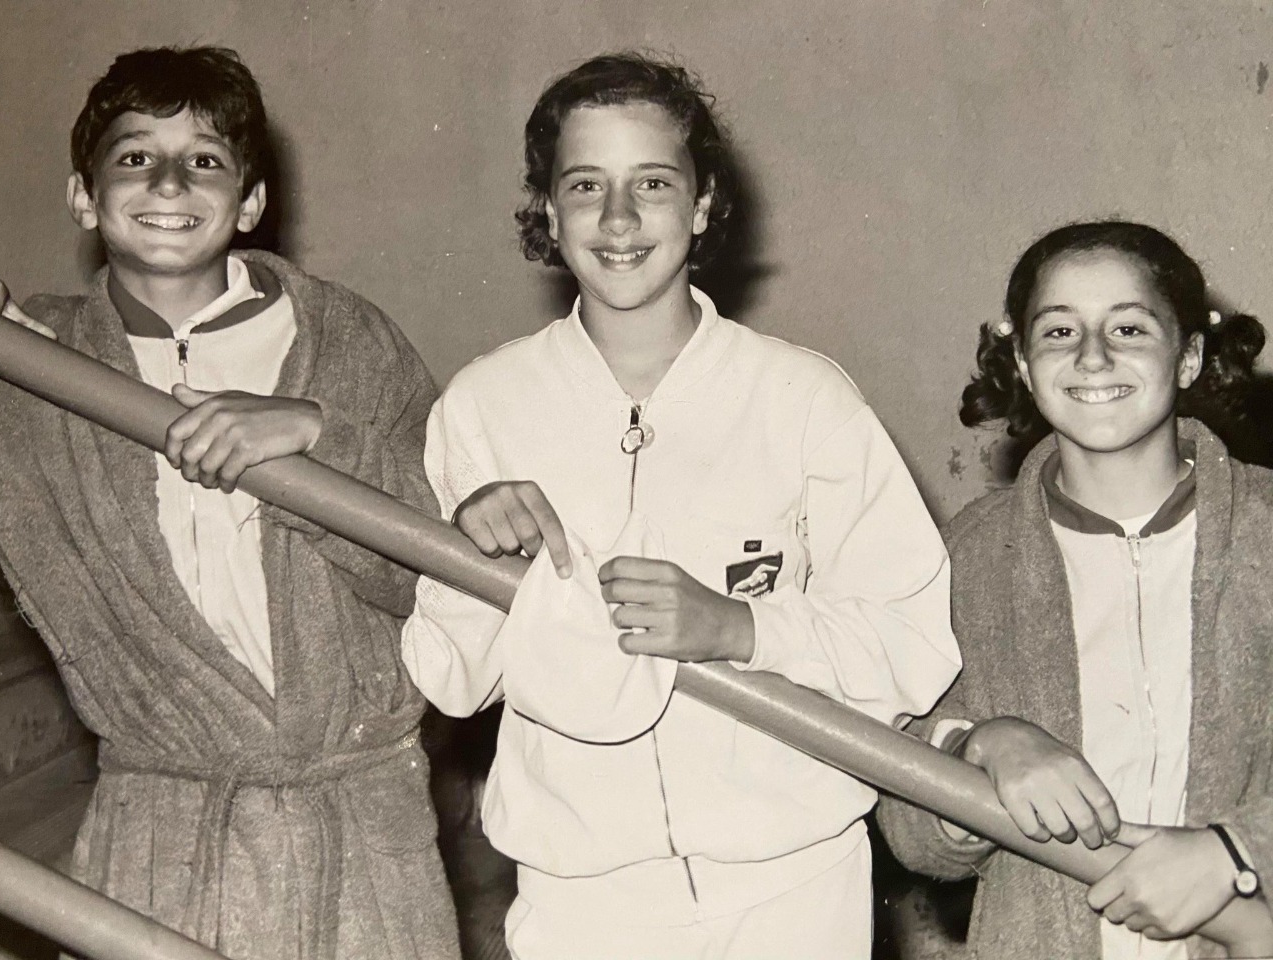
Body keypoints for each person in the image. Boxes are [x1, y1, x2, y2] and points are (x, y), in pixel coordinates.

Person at [403, 52, 961, 960]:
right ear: (549, 211)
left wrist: (739, 628)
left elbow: (912, 642)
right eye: (586, 185)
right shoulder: (484, 405)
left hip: (792, 886)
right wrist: (475, 562)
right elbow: (451, 679)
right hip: (580, 900)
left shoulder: (802, 398)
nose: (619, 218)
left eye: (653, 183)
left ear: (702, 206)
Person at [0, 46, 459, 959]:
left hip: (360, 837)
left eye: (204, 159)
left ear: (250, 202)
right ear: (84, 197)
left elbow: (445, 572)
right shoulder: (32, 366)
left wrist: (320, 436)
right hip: (160, 841)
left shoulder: (345, 341)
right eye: (134, 156)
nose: (169, 181)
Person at [878, 221, 1273, 959]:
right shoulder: (967, 558)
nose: (1093, 356)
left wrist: (1237, 850)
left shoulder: (1265, 531)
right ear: (1024, 365)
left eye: (1129, 328)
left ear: (1189, 356)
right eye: (1059, 331)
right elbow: (911, 833)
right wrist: (978, 744)